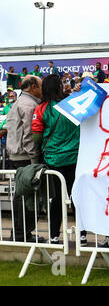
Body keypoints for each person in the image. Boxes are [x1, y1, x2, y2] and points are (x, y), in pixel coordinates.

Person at [32, 74, 86, 245]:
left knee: (55, 200)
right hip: (75, 158)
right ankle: (82, 235)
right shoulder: (71, 104)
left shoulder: (40, 109)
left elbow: (36, 138)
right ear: (60, 87)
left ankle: (54, 236)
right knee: (77, 197)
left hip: (53, 161)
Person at [6, 75, 44, 242]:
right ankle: (22, 235)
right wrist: (35, 159)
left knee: (21, 196)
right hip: (26, 157)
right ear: (34, 86)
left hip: (17, 154)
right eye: (41, 86)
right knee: (26, 197)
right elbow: (30, 135)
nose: (42, 90)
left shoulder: (19, 102)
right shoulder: (29, 105)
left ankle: (20, 234)